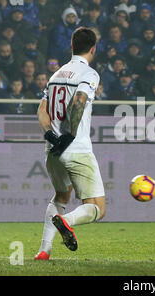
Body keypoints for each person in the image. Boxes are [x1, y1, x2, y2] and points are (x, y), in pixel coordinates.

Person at [35, 27, 105, 260]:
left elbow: (41, 110)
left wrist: (50, 135)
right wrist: (70, 134)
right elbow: (79, 101)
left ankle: (44, 250)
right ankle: (65, 222)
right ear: (93, 49)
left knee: (60, 197)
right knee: (97, 208)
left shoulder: (55, 76)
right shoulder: (89, 74)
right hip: (76, 149)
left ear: (71, 47)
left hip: (52, 151)